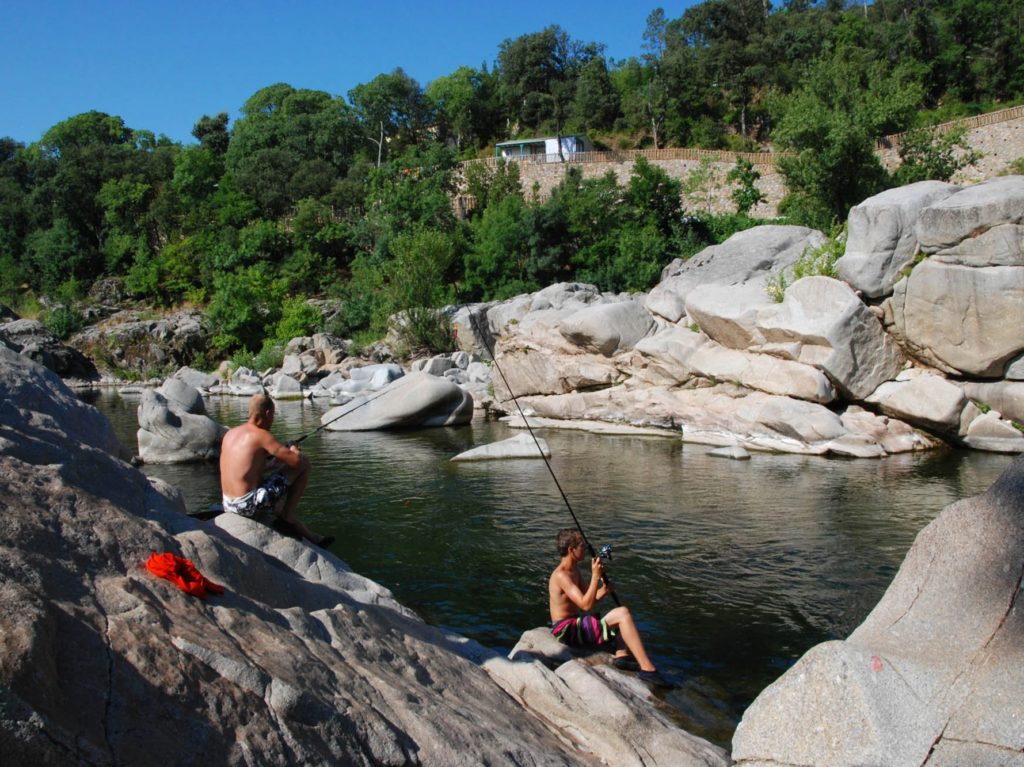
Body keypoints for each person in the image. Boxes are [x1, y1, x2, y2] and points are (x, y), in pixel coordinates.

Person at [548, 528, 669, 686]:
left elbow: (589, 597)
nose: (585, 550)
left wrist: (604, 590)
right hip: (566, 630)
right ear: (571, 550)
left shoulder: (574, 569)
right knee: (622, 613)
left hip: (575, 624)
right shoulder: (562, 575)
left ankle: (622, 655)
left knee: (618, 617)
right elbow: (585, 605)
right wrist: (595, 577)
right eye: (582, 547)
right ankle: (648, 670)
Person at [219, 394, 333, 547]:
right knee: (304, 463)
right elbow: (296, 461)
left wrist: (273, 464)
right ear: (267, 414)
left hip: (228, 504)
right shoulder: (261, 435)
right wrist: (293, 448)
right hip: (246, 506)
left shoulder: (231, 433)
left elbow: (247, 468)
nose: (272, 420)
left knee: (277, 505)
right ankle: (287, 517)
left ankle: (314, 538)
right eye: (273, 415)